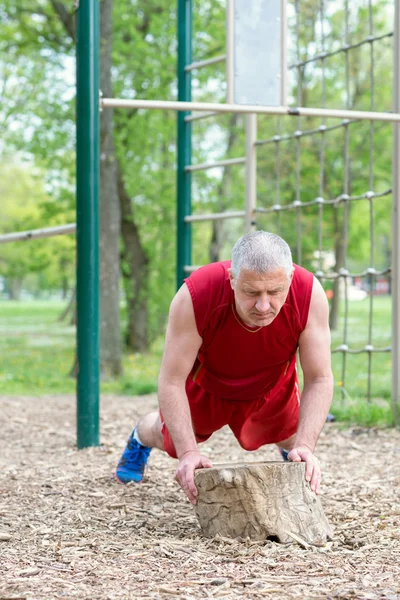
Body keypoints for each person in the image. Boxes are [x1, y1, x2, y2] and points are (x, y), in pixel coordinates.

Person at [115, 231, 334, 504]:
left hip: (271, 382)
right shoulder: (197, 294)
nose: (264, 305)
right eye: (251, 292)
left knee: (293, 438)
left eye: (275, 291)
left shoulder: (309, 294)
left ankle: (292, 451)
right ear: (232, 278)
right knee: (167, 438)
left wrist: (305, 447)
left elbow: (320, 378)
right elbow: (171, 380)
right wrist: (187, 454)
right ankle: (139, 437)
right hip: (207, 382)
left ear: (289, 277)